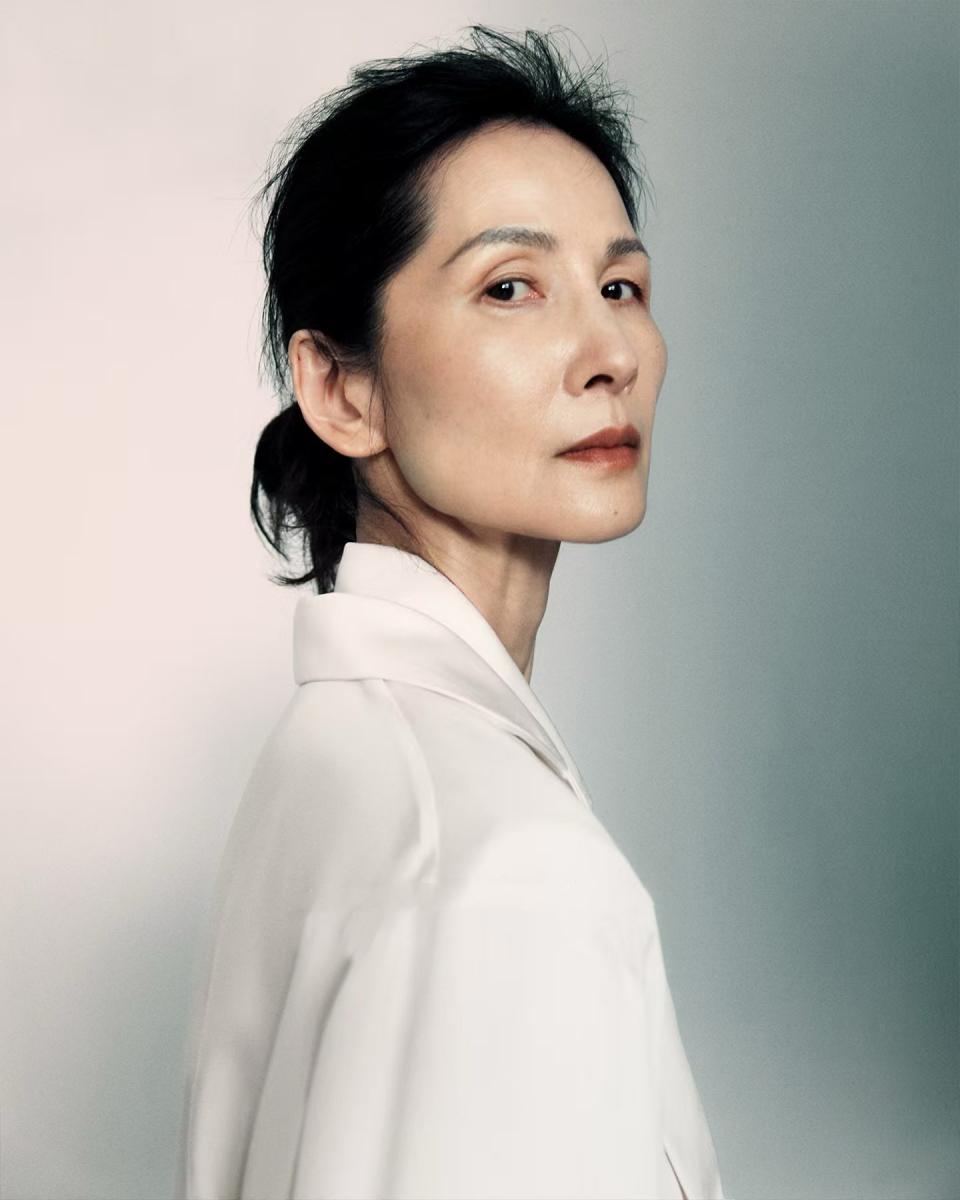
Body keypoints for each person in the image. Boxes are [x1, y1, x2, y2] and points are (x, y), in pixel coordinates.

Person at [177, 24, 726, 1200]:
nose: (609, 352)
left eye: (621, 287)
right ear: (342, 387)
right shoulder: (509, 878)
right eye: (510, 287)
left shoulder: (336, 748)